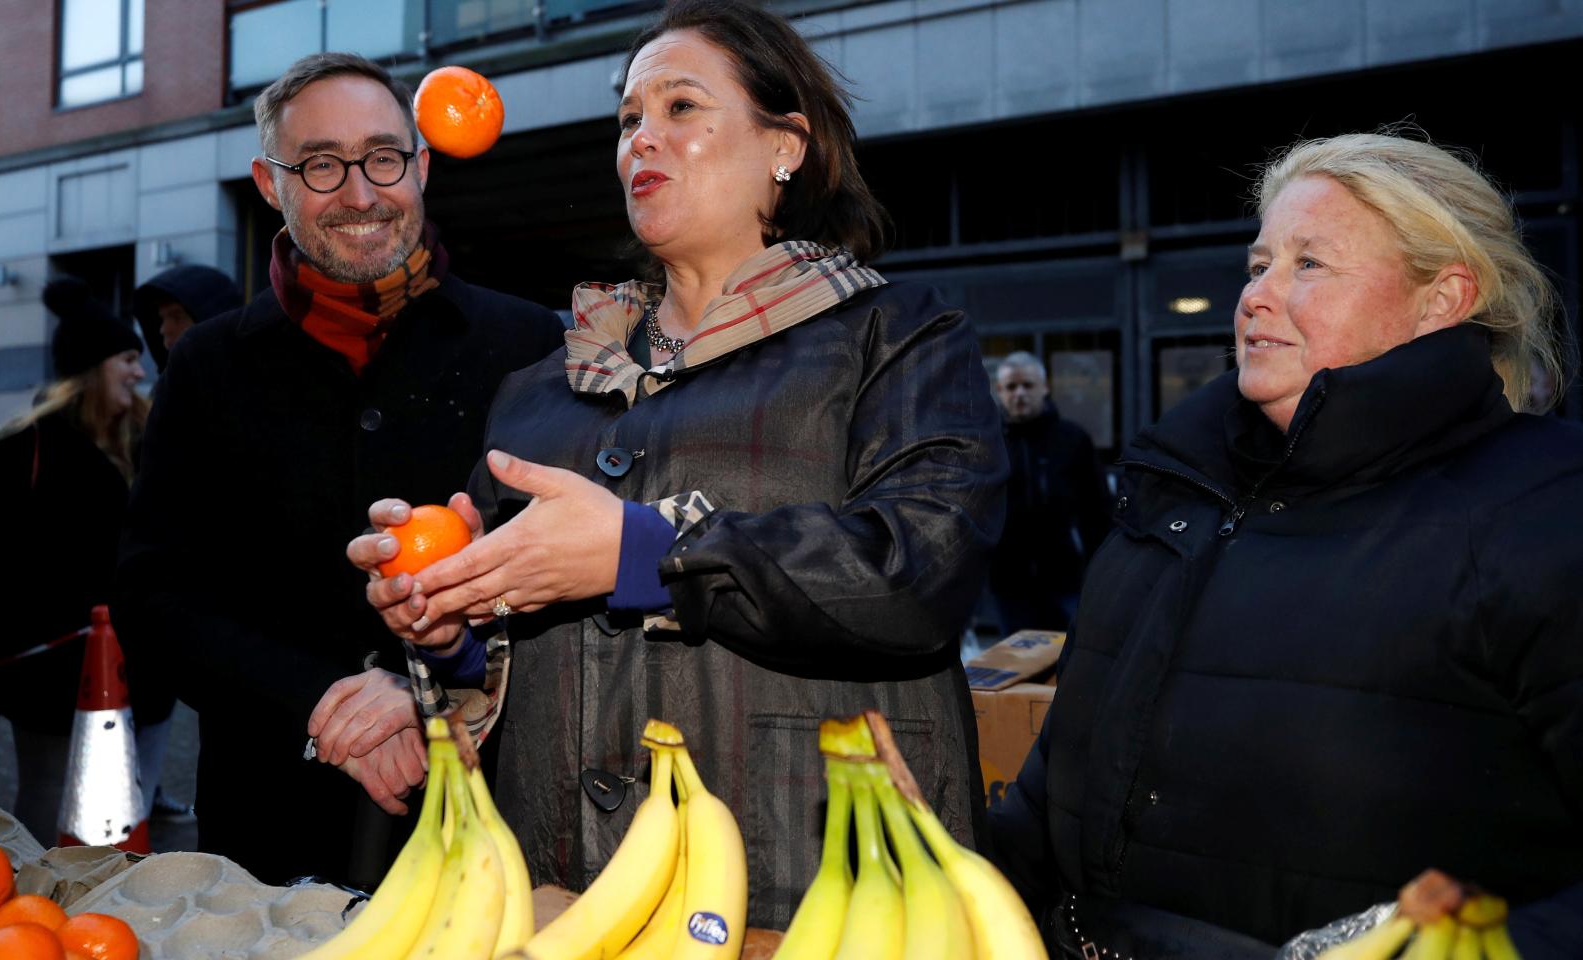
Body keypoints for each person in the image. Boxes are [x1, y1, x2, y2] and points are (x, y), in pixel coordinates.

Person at [343, 0, 1007, 927]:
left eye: (681, 107)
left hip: (813, 889)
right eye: (627, 119)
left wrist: (643, 551)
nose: (641, 139)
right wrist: (444, 613)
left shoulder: (895, 336)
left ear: (787, 146)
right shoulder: (541, 386)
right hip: (557, 886)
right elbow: (494, 653)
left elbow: (918, 570)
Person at [990, 132, 1583, 959]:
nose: (1257, 297)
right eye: (1258, 264)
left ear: (1442, 299)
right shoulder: (1174, 496)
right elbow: (1059, 788)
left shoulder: (1546, 507)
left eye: (1309, 264)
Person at [115, 53, 562, 886]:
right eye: (320, 164)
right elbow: (154, 595)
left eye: (383, 157)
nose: (360, 192)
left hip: (491, 820)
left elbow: (569, 580)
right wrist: (320, 703)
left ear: (421, 166)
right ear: (268, 181)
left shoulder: (530, 345)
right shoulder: (208, 365)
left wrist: (420, 693)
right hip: (269, 829)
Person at [0, 278, 170, 843]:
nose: (138, 372)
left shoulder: (147, 445)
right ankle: (38, 910)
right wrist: (15, 639)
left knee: (131, 803)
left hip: (144, 672)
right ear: (92, 367)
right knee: (52, 801)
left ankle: (117, 906)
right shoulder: (16, 455)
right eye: (127, 359)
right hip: (48, 680)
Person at [988, 351, 1111, 633]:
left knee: (1071, 659)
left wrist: (1099, 567)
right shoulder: (987, 446)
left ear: (1045, 387)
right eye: (1011, 387)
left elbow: (1097, 509)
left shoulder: (1072, 439)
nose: (1019, 393)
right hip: (1009, 579)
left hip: (1065, 575)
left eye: (1027, 385)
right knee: (1018, 662)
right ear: (1000, 391)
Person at [133, 264, 243, 372]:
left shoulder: (251, 385)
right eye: (161, 319)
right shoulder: (169, 386)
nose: (163, 329)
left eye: (177, 317)